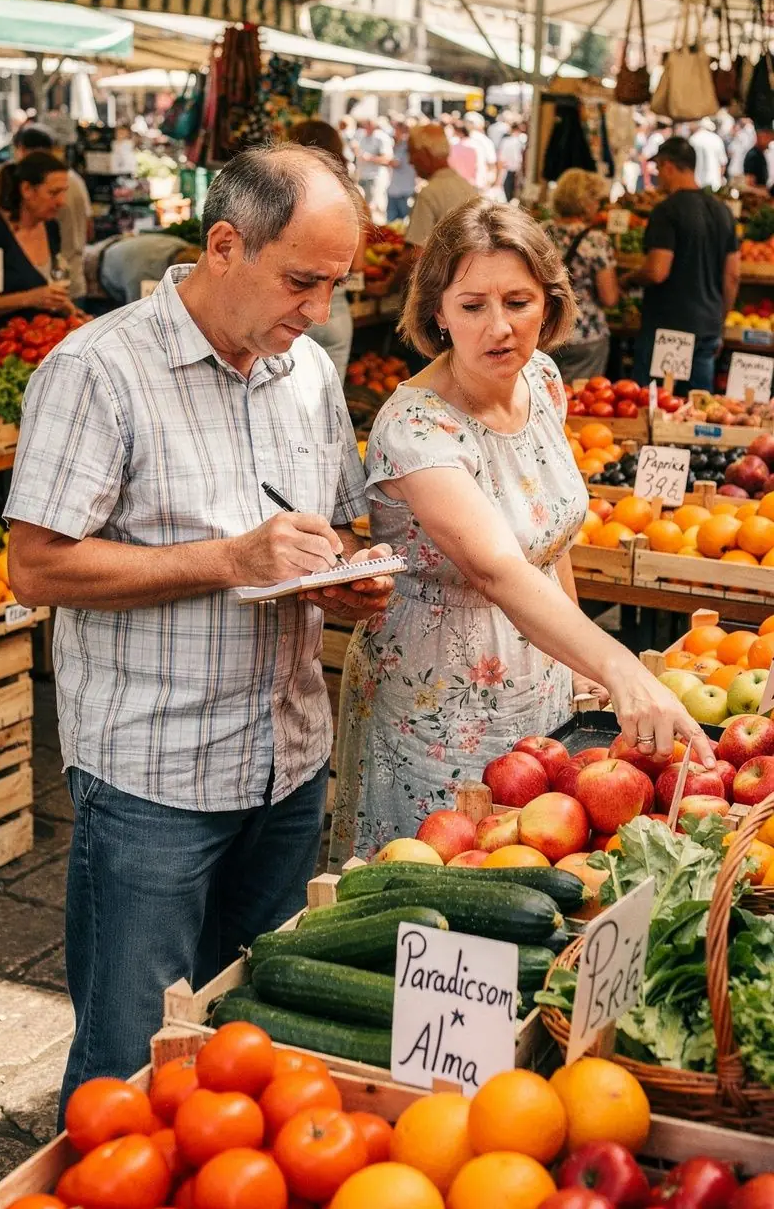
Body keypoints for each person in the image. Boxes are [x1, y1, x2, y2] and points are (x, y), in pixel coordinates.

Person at [5, 143, 396, 1108]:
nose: (318, 311)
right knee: (129, 1066)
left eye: (335, 285)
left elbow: (328, 524)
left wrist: (340, 579)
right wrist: (228, 559)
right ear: (225, 245)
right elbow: (35, 565)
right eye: (302, 281)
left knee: (245, 1046)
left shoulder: (304, 371)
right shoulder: (98, 370)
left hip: (289, 761)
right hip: (154, 780)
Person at [330, 200, 713, 864]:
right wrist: (621, 666)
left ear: (550, 303)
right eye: (472, 305)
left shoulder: (542, 379)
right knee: (440, 896)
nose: (499, 327)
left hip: (537, 683)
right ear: (437, 312)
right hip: (438, 704)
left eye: (519, 301)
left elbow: (547, 547)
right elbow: (498, 567)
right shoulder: (415, 429)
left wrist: (577, 663)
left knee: (534, 869)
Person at [629, 137, 740, 393]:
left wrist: (630, 278)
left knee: (655, 410)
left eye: (658, 169)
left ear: (668, 166)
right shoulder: (723, 211)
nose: (657, 177)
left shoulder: (666, 211)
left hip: (667, 331)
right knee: (696, 411)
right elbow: (733, 275)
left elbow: (657, 271)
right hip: (706, 328)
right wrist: (719, 321)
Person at [287, 119, 366, 381]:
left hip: (293, 312)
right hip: (337, 313)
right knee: (327, 411)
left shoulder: (289, 194)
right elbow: (357, 267)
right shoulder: (351, 195)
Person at [0, 152, 75, 322]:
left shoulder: (51, 227)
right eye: (53, 193)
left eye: (64, 192)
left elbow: (46, 292)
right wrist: (29, 298)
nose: (61, 201)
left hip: (42, 337)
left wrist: (68, 309)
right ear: (27, 189)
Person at [548, 170, 618, 381]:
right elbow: (609, 297)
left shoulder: (540, 234)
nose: (598, 205)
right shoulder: (595, 241)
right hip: (586, 335)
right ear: (586, 202)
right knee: (580, 402)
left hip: (546, 330)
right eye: (596, 200)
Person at [13, 124, 92, 300]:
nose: (60, 201)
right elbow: (89, 227)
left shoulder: (49, 183)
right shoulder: (75, 180)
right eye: (54, 193)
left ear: (22, 150)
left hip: (55, 288)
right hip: (72, 278)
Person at [405, 124, 478, 253]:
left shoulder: (429, 193)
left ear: (425, 153)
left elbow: (416, 254)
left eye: (412, 153)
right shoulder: (466, 186)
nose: (410, 161)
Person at [353, 115, 393, 218]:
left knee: (372, 207)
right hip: (363, 175)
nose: (367, 127)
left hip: (375, 177)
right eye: (366, 125)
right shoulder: (361, 136)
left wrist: (370, 158)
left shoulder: (382, 138)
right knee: (362, 206)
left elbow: (387, 158)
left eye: (370, 125)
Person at [386, 119, 416, 223]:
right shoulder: (406, 144)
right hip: (400, 189)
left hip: (402, 190)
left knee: (398, 223)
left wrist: (376, 159)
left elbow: (396, 163)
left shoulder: (404, 144)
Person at [689, 118, 728, 192]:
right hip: (714, 183)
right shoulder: (716, 139)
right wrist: (720, 178)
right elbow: (723, 163)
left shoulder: (692, 140)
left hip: (697, 183)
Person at [463, 111, 498, 189]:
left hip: (475, 184)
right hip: (479, 184)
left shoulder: (484, 141)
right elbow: (492, 165)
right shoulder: (486, 141)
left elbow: (491, 165)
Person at [448, 120, 483, 188]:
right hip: (474, 182)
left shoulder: (455, 147)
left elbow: (451, 165)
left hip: (459, 183)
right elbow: (480, 165)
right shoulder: (477, 145)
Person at [497, 121, 526, 201]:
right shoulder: (521, 140)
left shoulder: (506, 141)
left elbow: (501, 157)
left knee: (508, 188)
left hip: (508, 168)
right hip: (516, 169)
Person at [744, 125, 774, 191]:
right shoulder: (753, 155)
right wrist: (763, 192)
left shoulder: (761, 153)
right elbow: (749, 182)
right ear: (760, 137)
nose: (769, 142)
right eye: (767, 138)